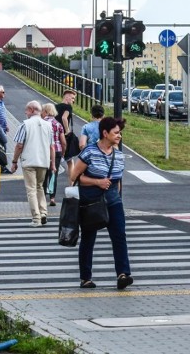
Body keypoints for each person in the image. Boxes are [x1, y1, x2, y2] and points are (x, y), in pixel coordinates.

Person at [70, 117, 133, 290]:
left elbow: (118, 181)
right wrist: (97, 182)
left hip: (113, 200)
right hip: (91, 201)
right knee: (89, 238)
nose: (119, 136)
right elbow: (74, 177)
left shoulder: (119, 155)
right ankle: (86, 278)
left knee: (119, 235)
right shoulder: (89, 152)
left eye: (120, 132)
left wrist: (118, 197)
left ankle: (123, 274)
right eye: (116, 132)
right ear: (105, 133)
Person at [11, 101, 55, 227]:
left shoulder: (25, 124)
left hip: (29, 161)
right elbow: (51, 147)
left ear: (31, 110)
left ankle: (36, 218)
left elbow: (19, 145)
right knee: (40, 187)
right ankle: (43, 213)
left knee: (31, 189)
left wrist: (14, 161)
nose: (25, 113)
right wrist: (52, 164)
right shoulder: (48, 125)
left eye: (26, 111)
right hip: (43, 161)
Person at [41, 103, 66, 207]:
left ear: (45, 111)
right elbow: (63, 141)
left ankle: (42, 196)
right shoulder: (58, 124)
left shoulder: (42, 123)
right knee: (53, 174)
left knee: (43, 174)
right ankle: (52, 197)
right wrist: (63, 152)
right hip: (57, 151)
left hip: (44, 151)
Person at [56, 89, 77, 182]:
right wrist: (67, 131)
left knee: (54, 162)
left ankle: (50, 185)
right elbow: (64, 118)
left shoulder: (55, 107)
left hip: (55, 137)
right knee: (70, 161)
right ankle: (71, 184)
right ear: (67, 96)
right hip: (64, 137)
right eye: (72, 98)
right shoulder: (68, 107)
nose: (73, 101)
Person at [0, 85, 10, 174]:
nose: (4, 93)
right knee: (3, 146)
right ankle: (3, 165)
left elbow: (3, 115)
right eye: (3, 92)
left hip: (3, 128)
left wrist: (6, 125)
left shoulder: (1, 102)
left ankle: (2, 165)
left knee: (3, 147)